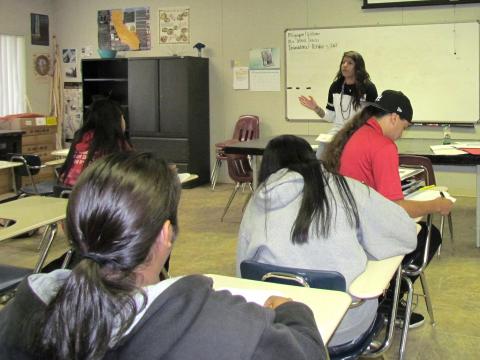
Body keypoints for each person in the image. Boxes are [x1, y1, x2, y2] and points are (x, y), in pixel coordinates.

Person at [0, 152, 326, 360]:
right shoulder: (219, 325)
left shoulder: (20, 311)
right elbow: (308, 353)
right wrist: (293, 310)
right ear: (166, 235)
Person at [237, 135, 417, 350]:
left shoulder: (256, 201)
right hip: (343, 325)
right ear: (311, 157)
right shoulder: (345, 187)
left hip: (276, 325)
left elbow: (242, 270)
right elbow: (405, 233)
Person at [323, 90, 454, 327]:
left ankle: (384, 299)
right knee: (428, 235)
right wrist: (437, 204)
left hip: (341, 223)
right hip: (363, 232)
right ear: (394, 117)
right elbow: (396, 208)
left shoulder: (353, 134)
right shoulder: (383, 146)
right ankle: (387, 305)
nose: (401, 134)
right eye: (404, 128)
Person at [298, 51, 377, 157]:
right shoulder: (336, 86)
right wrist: (316, 108)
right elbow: (330, 117)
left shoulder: (368, 87)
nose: (345, 65)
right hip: (338, 129)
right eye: (343, 62)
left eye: (350, 63)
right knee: (322, 150)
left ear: (358, 67)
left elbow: (374, 117)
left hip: (360, 130)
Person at [58, 97, 132, 187]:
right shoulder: (116, 143)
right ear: (115, 121)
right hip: (94, 195)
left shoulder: (80, 137)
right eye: (122, 117)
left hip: (67, 193)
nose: (124, 121)